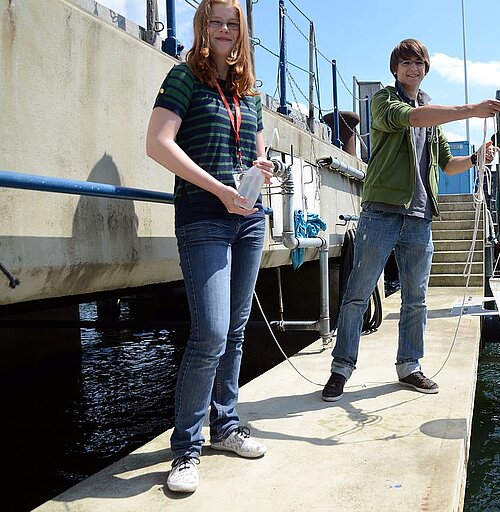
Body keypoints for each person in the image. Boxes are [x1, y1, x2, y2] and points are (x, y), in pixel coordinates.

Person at [322, 38, 500, 402]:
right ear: (395, 69)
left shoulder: (431, 111)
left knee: (416, 298)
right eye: (406, 63)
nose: (413, 69)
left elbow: (445, 163)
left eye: (419, 63)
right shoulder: (384, 101)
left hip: (420, 217)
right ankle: (341, 368)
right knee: (358, 294)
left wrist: (475, 158)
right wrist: (472, 109)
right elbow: (413, 119)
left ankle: (409, 366)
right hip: (381, 212)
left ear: (426, 68)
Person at [146, 0, 274, 493]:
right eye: (215, 21)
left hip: (249, 220)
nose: (224, 29)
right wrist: (219, 189)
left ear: (242, 31)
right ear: (202, 26)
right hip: (204, 218)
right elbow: (158, 143)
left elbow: (257, 154)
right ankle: (187, 449)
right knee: (212, 333)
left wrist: (265, 170)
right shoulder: (184, 78)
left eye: (233, 22)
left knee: (237, 331)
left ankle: (225, 425)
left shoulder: (250, 91)